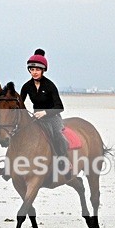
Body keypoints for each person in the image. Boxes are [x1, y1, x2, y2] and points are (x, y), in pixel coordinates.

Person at [19, 49, 71, 177]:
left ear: (43, 70)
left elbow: (60, 107)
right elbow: (20, 104)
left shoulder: (50, 85)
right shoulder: (26, 87)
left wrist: (45, 113)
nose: (34, 72)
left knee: (58, 136)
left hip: (52, 117)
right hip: (36, 117)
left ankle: (64, 162)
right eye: (32, 70)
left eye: (37, 70)